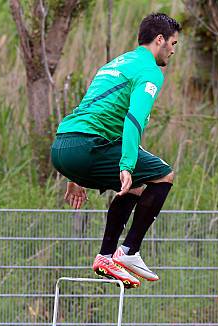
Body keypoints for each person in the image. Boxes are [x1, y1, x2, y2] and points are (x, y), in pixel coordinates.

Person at [51, 13, 181, 288]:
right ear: (160, 40)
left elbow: (92, 113)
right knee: (163, 175)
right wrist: (126, 165)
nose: (172, 50)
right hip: (87, 147)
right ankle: (130, 251)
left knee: (136, 185)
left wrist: (74, 175)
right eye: (172, 43)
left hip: (62, 146)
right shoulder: (150, 71)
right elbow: (133, 119)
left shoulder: (115, 64)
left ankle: (106, 256)